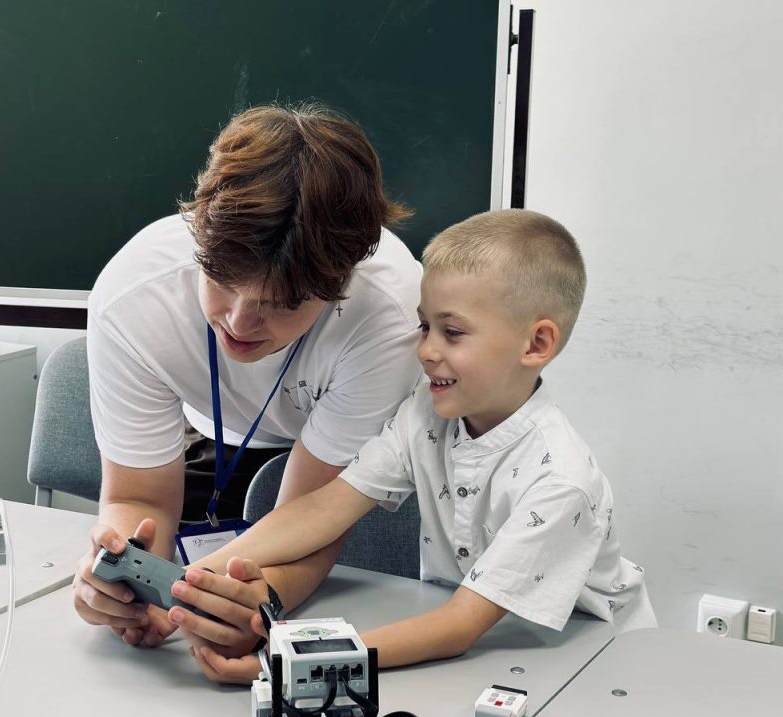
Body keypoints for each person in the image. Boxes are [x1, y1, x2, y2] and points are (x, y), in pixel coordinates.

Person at [174, 209, 657, 683]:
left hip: (596, 666)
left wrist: (286, 665)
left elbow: (457, 628)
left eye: (453, 332)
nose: (425, 350)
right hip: (494, 651)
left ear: (535, 345)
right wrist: (192, 581)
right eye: (425, 327)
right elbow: (323, 508)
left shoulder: (560, 481)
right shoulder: (425, 413)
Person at [72, 104, 424, 654]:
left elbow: (316, 516)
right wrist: (123, 583)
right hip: (215, 444)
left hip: (345, 475)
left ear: (342, 280)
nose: (238, 322)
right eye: (221, 280)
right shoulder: (133, 298)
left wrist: (266, 601)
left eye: (281, 304)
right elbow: (140, 498)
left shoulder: (389, 317)